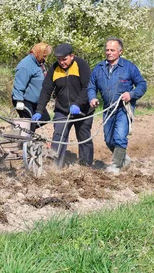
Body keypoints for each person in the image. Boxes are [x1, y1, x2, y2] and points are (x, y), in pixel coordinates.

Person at [87, 37, 147, 174]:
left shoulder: (129, 67)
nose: (109, 52)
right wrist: (92, 98)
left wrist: (131, 95)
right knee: (109, 140)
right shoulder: (99, 68)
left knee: (119, 137)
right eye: (107, 50)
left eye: (112, 50)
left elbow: (142, 85)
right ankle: (123, 158)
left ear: (120, 51)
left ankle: (116, 166)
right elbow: (91, 86)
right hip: (108, 109)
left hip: (123, 109)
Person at [31, 43, 94, 167]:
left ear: (72, 56)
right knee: (58, 136)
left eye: (64, 59)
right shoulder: (54, 68)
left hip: (83, 110)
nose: (61, 62)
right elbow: (46, 90)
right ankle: (56, 166)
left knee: (84, 137)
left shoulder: (81, 65)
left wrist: (78, 104)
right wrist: (39, 110)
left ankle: (86, 166)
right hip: (62, 110)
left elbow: (88, 87)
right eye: (59, 60)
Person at [11, 42, 52, 131]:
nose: (45, 58)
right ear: (38, 53)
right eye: (44, 56)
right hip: (25, 100)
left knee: (45, 118)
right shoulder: (25, 65)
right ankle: (26, 141)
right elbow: (19, 84)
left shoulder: (39, 62)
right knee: (31, 123)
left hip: (35, 101)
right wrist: (19, 100)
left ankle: (23, 131)